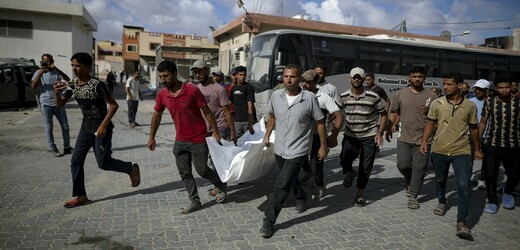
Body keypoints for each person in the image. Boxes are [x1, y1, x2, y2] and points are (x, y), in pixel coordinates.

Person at [54, 52, 140, 208]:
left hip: (102, 130)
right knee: (75, 161)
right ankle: (81, 196)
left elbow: (114, 105)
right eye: (72, 65)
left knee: (103, 163)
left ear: (88, 67)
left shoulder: (97, 85)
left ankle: (130, 169)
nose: (74, 68)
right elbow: (60, 104)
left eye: (78, 66)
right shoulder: (73, 85)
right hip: (85, 129)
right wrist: (56, 92)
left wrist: (102, 126)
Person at [148, 60, 227, 214]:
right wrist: (152, 137)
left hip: (198, 138)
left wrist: (216, 131)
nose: (163, 80)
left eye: (166, 76)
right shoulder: (162, 94)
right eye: (161, 77)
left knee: (202, 170)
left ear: (175, 74)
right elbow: (156, 115)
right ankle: (195, 201)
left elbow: (207, 111)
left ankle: (222, 184)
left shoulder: (192, 90)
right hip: (180, 140)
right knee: (185, 173)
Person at [259, 65, 328, 238]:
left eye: (293, 77)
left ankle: (269, 221)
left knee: (281, 185)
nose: (288, 79)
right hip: (280, 148)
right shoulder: (276, 96)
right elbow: (272, 116)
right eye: (286, 76)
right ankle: (301, 196)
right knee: (289, 178)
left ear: (300, 80)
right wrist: (267, 134)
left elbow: (320, 122)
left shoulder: (309, 98)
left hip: (298, 150)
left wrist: (323, 146)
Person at [419, 72, 482, 241]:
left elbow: (474, 128)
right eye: (444, 84)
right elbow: (430, 123)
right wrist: (424, 141)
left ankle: (461, 222)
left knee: (463, 185)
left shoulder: (470, 106)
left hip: (462, 151)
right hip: (439, 149)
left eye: (449, 84)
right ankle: (442, 201)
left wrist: (477, 148)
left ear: (461, 85)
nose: (445, 87)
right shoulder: (437, 103)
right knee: (440, 180)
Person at [385, 66, 438, 209]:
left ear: (425, 78)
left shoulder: (432, 97)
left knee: (419, 167)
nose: (417, 79)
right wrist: (389, 129)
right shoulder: (400, 94)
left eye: (420, 76)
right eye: (414, 76)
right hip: (404, 137)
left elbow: (437, 119)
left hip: (424, 138)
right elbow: (394, 112)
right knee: (402, 165)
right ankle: (409, 180)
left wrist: (430, 112)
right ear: (410, 77)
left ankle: (414, 196)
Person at [339, 67, 387, 207]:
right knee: (344, 159)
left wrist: (379, 132)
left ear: (364, 79)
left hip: (369, 135)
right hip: (350, 135)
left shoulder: (373, 96)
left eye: (359, 77)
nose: (357, 79)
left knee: (365, 166)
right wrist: (333, 130)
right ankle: (350, 171)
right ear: (350, 78)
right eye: (354, 77)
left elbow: (384, 114)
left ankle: (360, 193)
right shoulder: (343, 96)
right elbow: (335, 112)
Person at [300, 69, 344, 200]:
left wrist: (334, 134)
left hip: (317, 137)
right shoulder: (299, 95)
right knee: (299, 160)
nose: (304, 85)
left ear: (315, 82)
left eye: (308, 82)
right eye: (303, 82)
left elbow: (338, 115)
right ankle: (307, 172)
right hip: (301, 137)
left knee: (317, 164)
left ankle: (319, 186)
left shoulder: (324, 97)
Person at [479, 78, 520, 214]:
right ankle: (492, 201)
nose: (504, 90)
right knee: (491, 174)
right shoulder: (489, 102)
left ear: (512, 87)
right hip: (492, 144)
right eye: (501, 87)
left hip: (513, 144)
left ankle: (507, 191)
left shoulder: (518, 102)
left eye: (507, 87)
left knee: (514, 174)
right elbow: (483, 122)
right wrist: (478, 142)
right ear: (496, 88)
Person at [31, 53, 73, 157]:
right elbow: (33, 86)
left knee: (65, 126)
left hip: (59, 103)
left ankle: (67, 148)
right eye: (46, 61)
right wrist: (40, 72)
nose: (48, 63)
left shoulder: (56, 72)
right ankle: (52, 148)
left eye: (50, 61)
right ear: (42, 62)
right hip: (46, 103)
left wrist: (56, 69)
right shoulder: (38, 72)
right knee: (49, 127)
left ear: (53, 61)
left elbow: (68, 79)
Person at [468, 79, 490, 190]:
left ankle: (483, 179)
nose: (477, 91)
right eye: (476, 88)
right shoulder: (470, 101)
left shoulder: (492, 102)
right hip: (470, 135)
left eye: (480, 89)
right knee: (468, 158)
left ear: (486, 90)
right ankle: (467, 179)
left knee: (486, 160)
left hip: (487, 136)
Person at [230, 66, 255, 138]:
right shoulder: (233, 88)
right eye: (240, 75)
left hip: (247, 121)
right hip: (237, 121)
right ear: (236, 75)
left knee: (248, 143)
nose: (242, 77)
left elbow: (250, 106)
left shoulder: (249, 88)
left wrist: (250, 123)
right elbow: (229, 103)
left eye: (244, 75)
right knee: (238, 143)